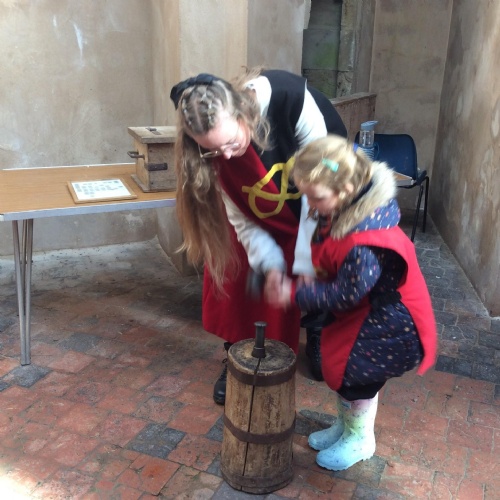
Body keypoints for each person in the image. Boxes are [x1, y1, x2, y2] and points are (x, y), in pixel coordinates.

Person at [169, 68, 347, 404]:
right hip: (263, 199)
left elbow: (318, 197)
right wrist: (271, 265)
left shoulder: (291, 100)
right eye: (212, 150)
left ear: (242, 112)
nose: (225, 156)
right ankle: (238, 349)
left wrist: (304, 263)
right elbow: (243, 222)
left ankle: (318, 328)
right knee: (237, 261)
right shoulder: (215, 156)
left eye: (229, 143)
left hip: (318, 184)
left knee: (325, 253)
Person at [271, 134, 437, 471]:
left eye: (316, 197)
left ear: (345, 189)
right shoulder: (345, 209)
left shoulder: (364, 243)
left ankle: (361, 438)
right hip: (367, 315)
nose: (310, 205)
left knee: (358, 380)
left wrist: (295, 293)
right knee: (346, 376)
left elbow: (346, 293)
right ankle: (346, 426)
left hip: (385, 323)